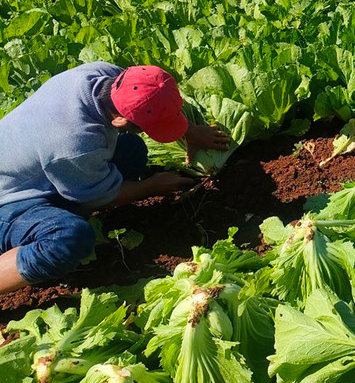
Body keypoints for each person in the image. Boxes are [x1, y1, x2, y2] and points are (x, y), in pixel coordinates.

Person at [0, 62, 230, 294]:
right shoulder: (74, 144)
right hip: (8, 202)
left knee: (132, 150)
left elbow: (154, 98)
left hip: (28, 167)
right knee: (69, 238)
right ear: (120, 120)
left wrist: (191, 132)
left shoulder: (103, 74)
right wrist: (151, 186)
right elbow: (100, 196)